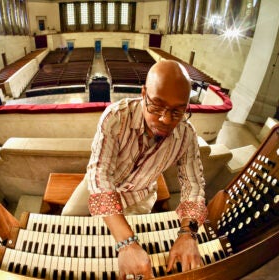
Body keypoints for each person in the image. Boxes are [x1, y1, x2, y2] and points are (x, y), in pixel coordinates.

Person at [62, 60, 208, 279]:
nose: (165, 120)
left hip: (140, 196)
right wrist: (127, 243)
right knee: (67, 224)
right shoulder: (116, 116)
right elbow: (99, 174)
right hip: (99, 188)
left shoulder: (187, 135)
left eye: (177, 112)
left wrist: (188, 233)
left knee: (124, 250)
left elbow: (193, 184)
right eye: (156, 106)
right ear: (143, 93)